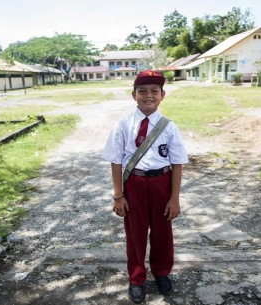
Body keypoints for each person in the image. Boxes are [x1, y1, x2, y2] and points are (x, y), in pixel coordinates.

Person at [102, 70, 188, 303]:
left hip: (162, 183)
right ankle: (137, 278)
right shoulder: (123, 125)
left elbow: (178, 162)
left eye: (154, 91)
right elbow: (116, 160)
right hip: (135, 184)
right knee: (135, 234)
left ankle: (161, 272)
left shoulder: (169, 126)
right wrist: (118, 195)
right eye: (142, 91)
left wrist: (174, 198)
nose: (148, 96)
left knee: (162, 233)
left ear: (163, 95)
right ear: (133, 95)